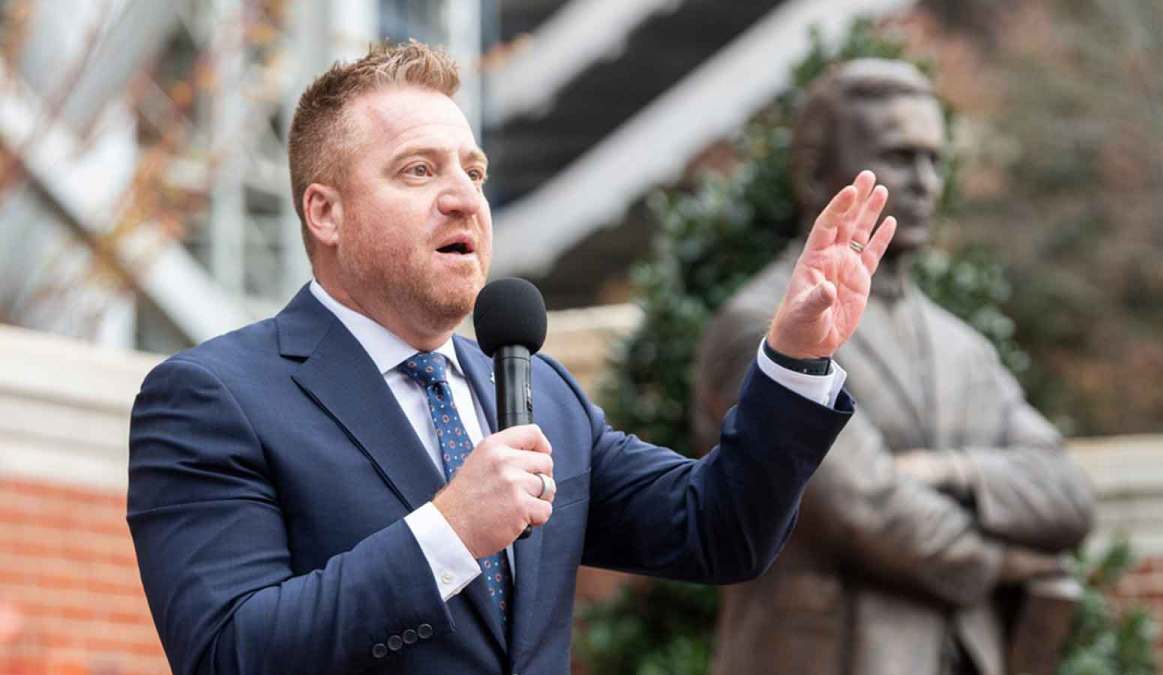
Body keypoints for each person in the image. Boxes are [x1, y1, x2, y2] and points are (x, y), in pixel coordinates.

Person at [126, 42, 898, 675]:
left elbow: (719, 529)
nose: (464, 196)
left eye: (474, 170)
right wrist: (449, 531)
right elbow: (228, 651)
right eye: (419, 170)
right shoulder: (212, 398)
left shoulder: (538, 392)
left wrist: (795, 356)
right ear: (324, 211)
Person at [694, 58, 1094, 675]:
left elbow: (1066, 493)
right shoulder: (763, 327)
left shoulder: (964, 347)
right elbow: (865, 511)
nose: (926, 181)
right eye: (900, 157)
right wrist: (1006, 562)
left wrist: (947, 470)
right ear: (812, 175)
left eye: (936, 160)